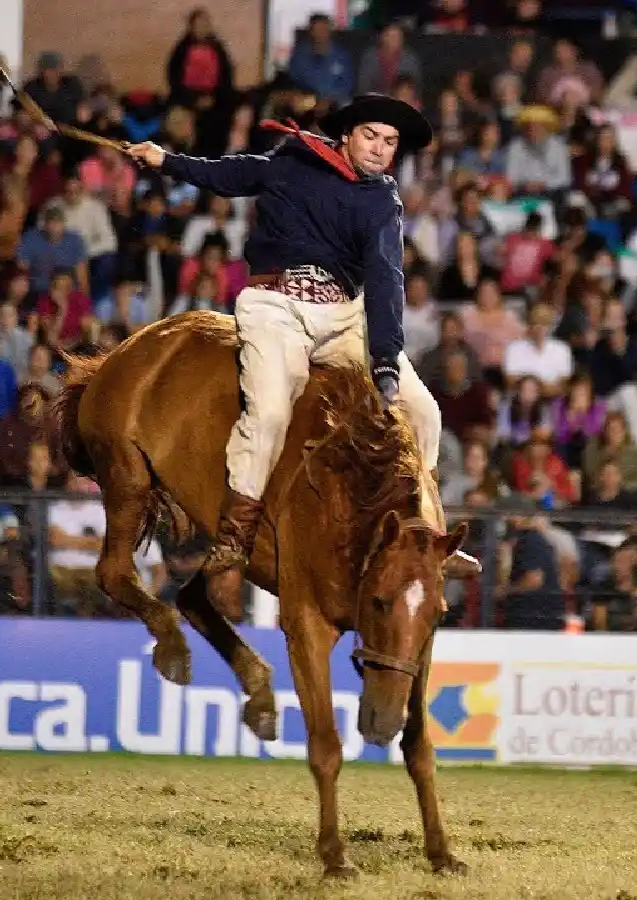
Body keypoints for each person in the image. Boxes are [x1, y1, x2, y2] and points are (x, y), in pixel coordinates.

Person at [124, 93, 480, 612]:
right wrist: (167, 161)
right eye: (371, 136)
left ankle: (426, 534)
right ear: (347, 134)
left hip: (343, 315)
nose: (381, 150)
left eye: (390, 142)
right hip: (276, 305)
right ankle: (234, 539)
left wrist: (384, 362)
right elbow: (236, 174)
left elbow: (386, 279)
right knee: (268, 412)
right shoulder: (294, 161)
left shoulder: (384, 199)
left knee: (424, 411)